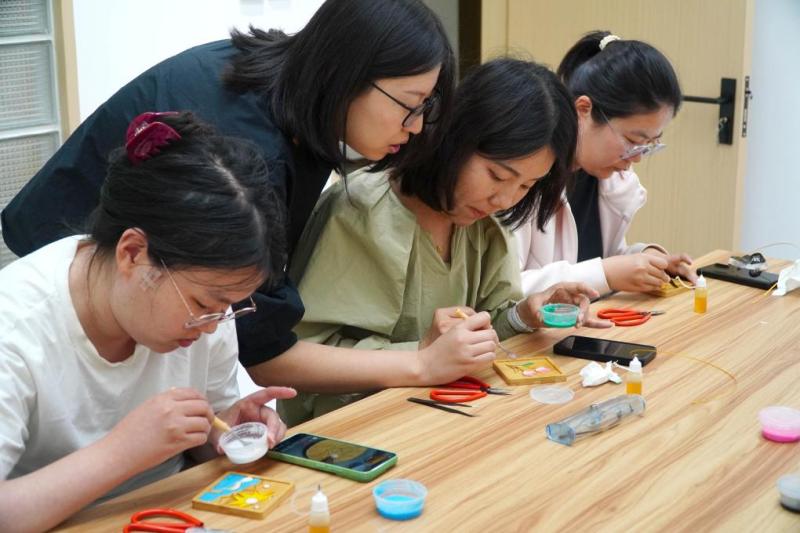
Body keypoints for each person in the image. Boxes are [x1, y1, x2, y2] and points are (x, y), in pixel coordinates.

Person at [0, 0, 456, 385]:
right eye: (408, 105)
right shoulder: (250, 151)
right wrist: (419, 365)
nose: (416, 126)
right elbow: (258, 349)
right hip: (79, 292)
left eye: (426, 107)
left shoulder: (294, 91)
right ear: (346, 73)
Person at [0, 112, 296, 532]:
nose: (213, 326)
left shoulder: (207, 307)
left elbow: (204, 437)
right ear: (133, 254)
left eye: (229, 306)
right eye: (204, 303)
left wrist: (223, 432)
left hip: (173, 514)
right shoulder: (15, 327)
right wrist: (122, 453)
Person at [280, 58, 611, 426]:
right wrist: (422, 352)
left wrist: (522, 314)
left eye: (526, 185)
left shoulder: (484, 225)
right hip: (349, 430)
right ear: (455, 138)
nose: (504, 200)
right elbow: (295, 358)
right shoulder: (359, 212)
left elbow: (486, 331)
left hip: (439, 422)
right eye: (497, 175)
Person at [515, 31, 698, 296]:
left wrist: (647, 258)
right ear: (583, 110)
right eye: (633, 140)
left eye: (650, 145)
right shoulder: (524, 178)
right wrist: (607, 273)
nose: (636, 157)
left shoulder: (608, 179)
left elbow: (598, 256)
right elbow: (505, 291)